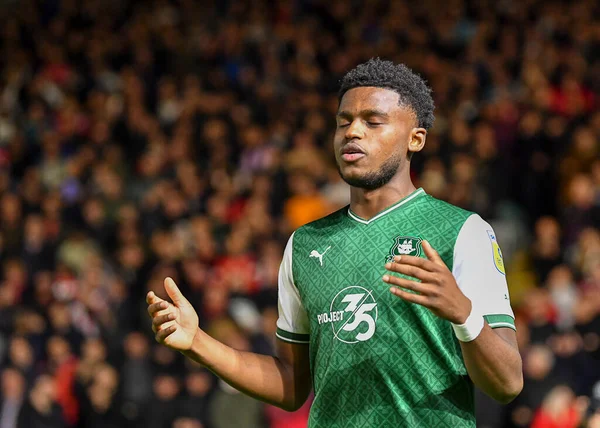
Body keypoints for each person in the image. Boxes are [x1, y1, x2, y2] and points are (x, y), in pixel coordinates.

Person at [147, 58, 524, 427]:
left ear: (416, 138)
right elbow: (291, 384)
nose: (352, 132)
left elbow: (508, 383)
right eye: (344, 122)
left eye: (372, 121)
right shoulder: (304, 245)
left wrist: (463, 313)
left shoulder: (461, 231)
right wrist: (197, 341)